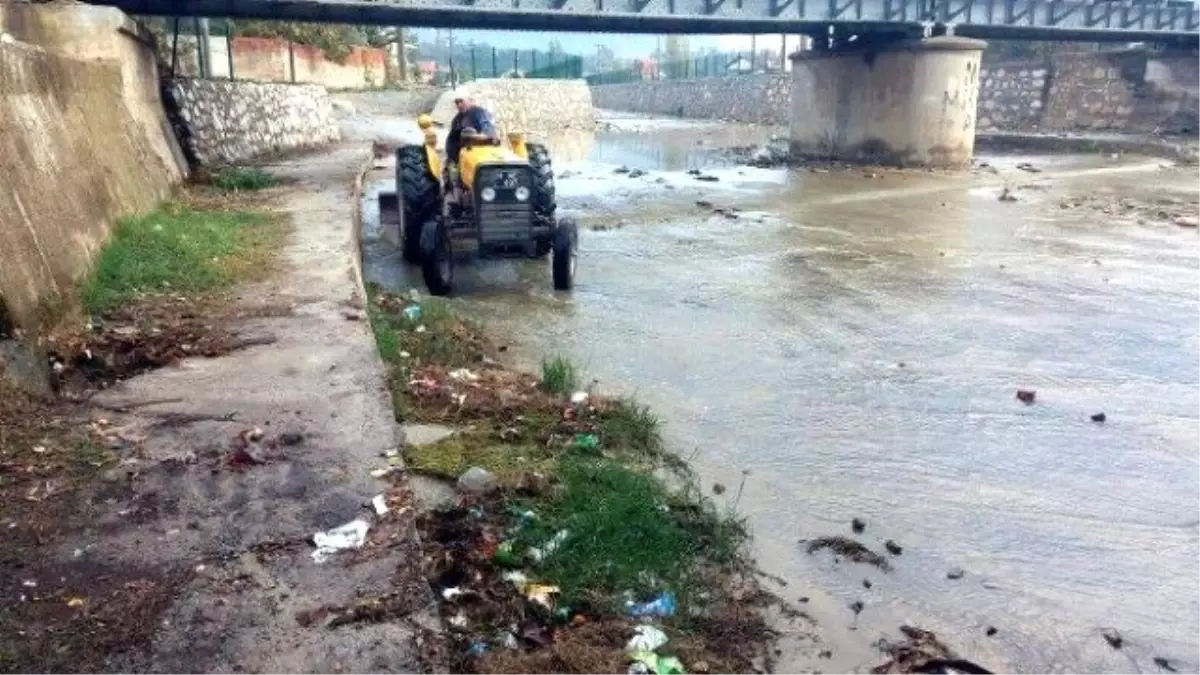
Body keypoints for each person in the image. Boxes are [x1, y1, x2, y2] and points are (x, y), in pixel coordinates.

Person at [444, 95, 498, 193]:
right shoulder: (457, 118)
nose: (459, 104)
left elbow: (488, 129)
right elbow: (452, 138)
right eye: (456, 102)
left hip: (479, 153)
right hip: (460, 156)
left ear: (470, 100)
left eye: (461, 101)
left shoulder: (479, 112)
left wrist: (479, 137)